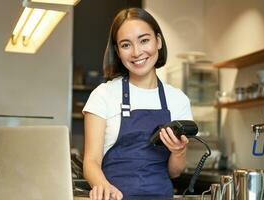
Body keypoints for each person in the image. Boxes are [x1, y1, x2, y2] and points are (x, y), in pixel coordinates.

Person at [82, 7, 193, 200]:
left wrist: (179, 151)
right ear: (117, 51)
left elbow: (175, 172)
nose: (136, 52)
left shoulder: (178, 100)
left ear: (158, 41)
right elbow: (91, 161)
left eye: (144, 40)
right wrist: (103, 186)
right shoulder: (103, 95)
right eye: (126, 45)